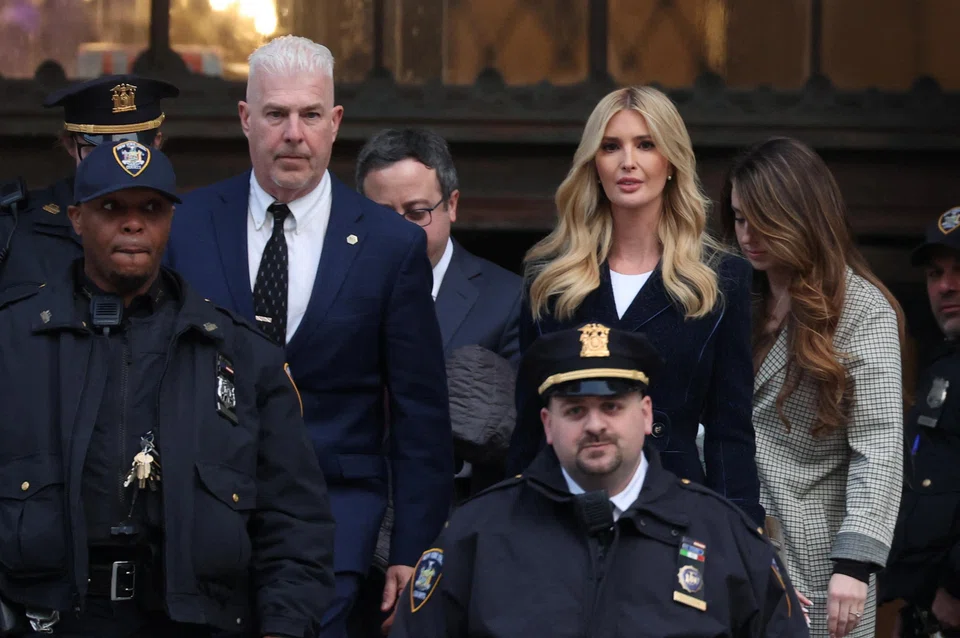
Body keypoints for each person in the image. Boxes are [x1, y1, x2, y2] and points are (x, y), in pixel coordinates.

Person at [163, 35, 453, 638]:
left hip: (336, 510)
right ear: (246, 119)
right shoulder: (185, 225)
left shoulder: (389, 245)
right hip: (201, 512)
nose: (293, 133)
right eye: (276, 114)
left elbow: (421, 412)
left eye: (310, 114)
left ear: (334, 122)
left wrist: (413, 549)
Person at [0, 140, 334, 637]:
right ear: (76, 219)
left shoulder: (240, 352)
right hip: (47, 620)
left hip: (196, 621)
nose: (133, 224)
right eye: (111, 207)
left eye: (151, 209)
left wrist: (283, 628)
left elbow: (295, 521)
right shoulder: (11, 340)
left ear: (170, 221)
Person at [389, 323, 809, 637]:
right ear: (547, 425)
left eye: (611, 407)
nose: (595, 425)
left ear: (645, 414)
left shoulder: (724, 535)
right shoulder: (476, 533)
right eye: (574, 410)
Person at [505, 85, 764, 526]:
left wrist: (743, 538)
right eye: (611, 147)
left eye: (646, 145)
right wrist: (512, 526)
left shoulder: (720, 279)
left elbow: (730, 432)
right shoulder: (549, 277)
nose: (628, 161)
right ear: (594, 165)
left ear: (670, 162)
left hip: (675, 511)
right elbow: (531, 426)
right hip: (564, 510)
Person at [719, 137, 907, 638]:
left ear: (802, 213)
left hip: (820, 557)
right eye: (739, 217)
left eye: (763, 217)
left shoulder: (862, 309)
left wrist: (855, 562)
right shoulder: (732, 296)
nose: (748, 234)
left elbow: (881, 445)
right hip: (731, 544)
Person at [356, 127, 521, 366]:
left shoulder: (507, 301)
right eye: (383, 215)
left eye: (417, 213)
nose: (401, 232)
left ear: (451, 205)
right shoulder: (336, 287)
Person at [0, 74, 178, 295]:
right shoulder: (14, 228)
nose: (115, 167)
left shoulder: (186, 228)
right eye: (98, 152)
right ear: (69, 144)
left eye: (128, 152)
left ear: (156, 144)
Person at [881, 207, 960, 637]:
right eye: (935, 273)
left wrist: (954, 588)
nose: (946, 286)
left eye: (959, 270)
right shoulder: (941, 364)